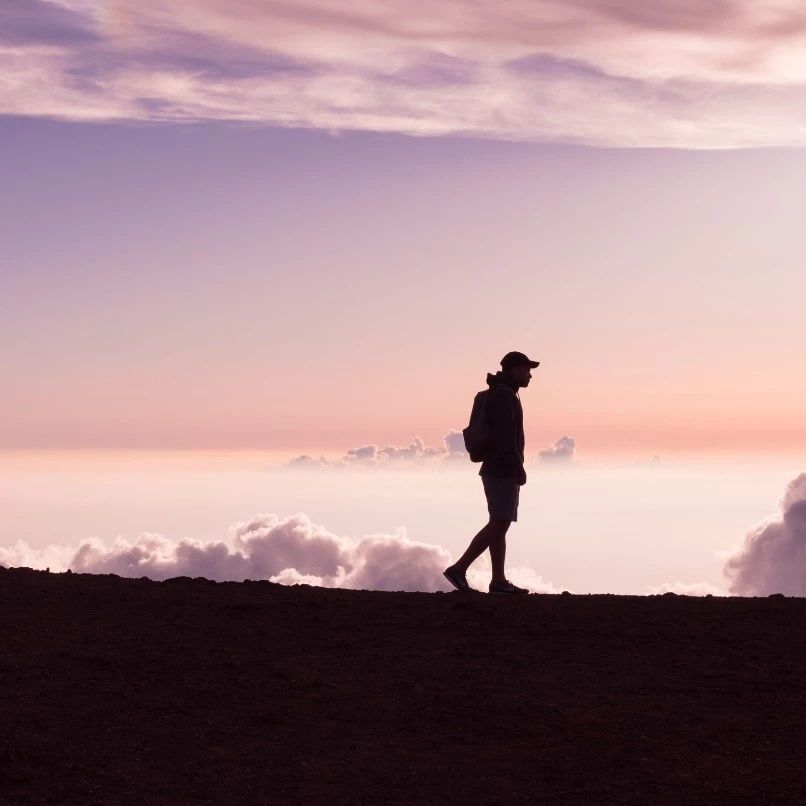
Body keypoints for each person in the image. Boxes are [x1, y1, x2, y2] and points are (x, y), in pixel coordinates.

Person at [444, 351, 539, 594]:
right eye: (527, 370)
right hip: (502, 468)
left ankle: (498, 581)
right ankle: (459, 568)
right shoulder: (505, 397)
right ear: (516, 370)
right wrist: (517, 467)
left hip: (494, 467)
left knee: (500, 522)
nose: (530, 375)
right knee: (500, 521)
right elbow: (506, 437)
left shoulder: (501, 394)